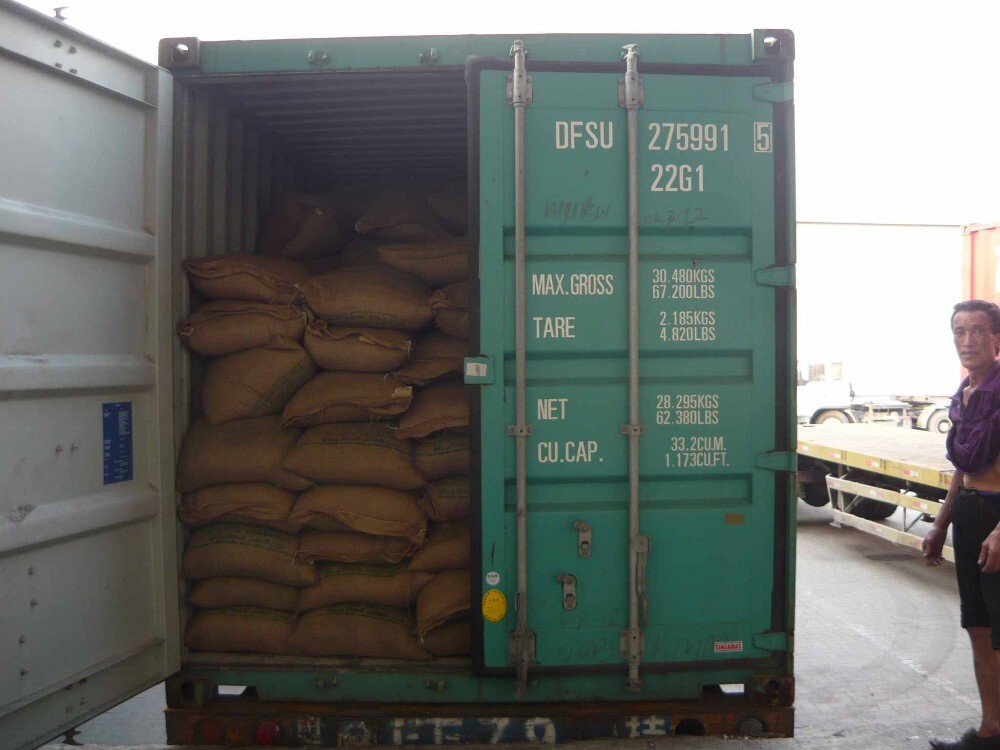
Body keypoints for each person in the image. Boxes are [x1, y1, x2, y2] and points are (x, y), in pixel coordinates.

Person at [925, 299, 1000, 750]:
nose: (967, 340)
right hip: (970, 513)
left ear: (996, 339)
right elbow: (963, 469)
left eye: (977, 330)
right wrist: (940, 523)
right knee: (978, 625)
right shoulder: (964, 395)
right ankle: (991, 730)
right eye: (959, 331)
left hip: (997, 516)